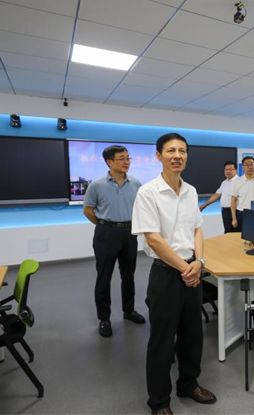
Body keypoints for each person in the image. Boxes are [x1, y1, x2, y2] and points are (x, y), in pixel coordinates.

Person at [132, 133, 217, 415]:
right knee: (162, 340)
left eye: (182, 150)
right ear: (159, 156)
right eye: (170, 151)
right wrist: (185, 268)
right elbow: (153, 239)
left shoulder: (190, 190)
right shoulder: (148, 192)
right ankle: (159, 401)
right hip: (167, 274)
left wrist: (199, 262)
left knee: (193, 334)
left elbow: (197, 229)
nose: (177, 155)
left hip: (192, 269)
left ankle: (188, 384)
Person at [83, 145, 145, 338]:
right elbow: (88, 210)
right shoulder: (97, 185)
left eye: (128, 158)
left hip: (129, 233)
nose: (126, 162)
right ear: (109, 162)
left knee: (128, 275)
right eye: (121, 158)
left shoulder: (136, 184)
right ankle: (104, 318)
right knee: (104, 277)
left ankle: (129, 311)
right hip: (106, 233)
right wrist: (105, 225)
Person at [231, 156, 254, 230]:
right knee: (241, 235)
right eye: (247, 165)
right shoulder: (237, 181)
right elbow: (233, 200)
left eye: (251, 164)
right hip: (242, 213)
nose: (250, 167)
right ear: (243, 167)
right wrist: (234, 218)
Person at [199, 161, 239, 233]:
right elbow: (216, 195)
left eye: (230, 169)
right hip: (225, 212)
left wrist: (234, 218)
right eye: (226, 170)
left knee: (236, 233)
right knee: (228, 232)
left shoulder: (239, 181)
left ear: (235, 170)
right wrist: (205, 204)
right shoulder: (224, 182)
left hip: (236, 212)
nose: (228, 171)